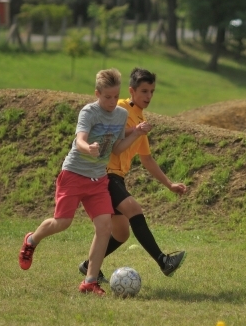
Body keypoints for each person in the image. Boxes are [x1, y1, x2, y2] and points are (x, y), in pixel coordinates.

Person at [18, 69, 147, 295]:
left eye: (115, 97)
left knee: (104, 227)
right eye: (107, 97)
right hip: (74, 174)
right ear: (97, 93)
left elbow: (116, 147)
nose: (112, 101)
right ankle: (31, 239)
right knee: (62, 222)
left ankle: (90, 281)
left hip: (98, 179)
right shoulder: (89, 112)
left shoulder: (120, 115)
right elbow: (80, 141)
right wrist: (89, 148)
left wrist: (135, 133)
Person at [76, 68, 188, 283]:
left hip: (117, 178)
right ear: (132, 91)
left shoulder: (140, 119)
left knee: (121, 233)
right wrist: (134, 130)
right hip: (104, 174)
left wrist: (169, 184)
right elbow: (110, 135)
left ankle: (89, 266)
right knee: (134, 209)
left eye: (152, 91)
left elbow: (147, 159)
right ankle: (163, 261)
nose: (148, 96)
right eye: (144, 91)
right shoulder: (119, 109)